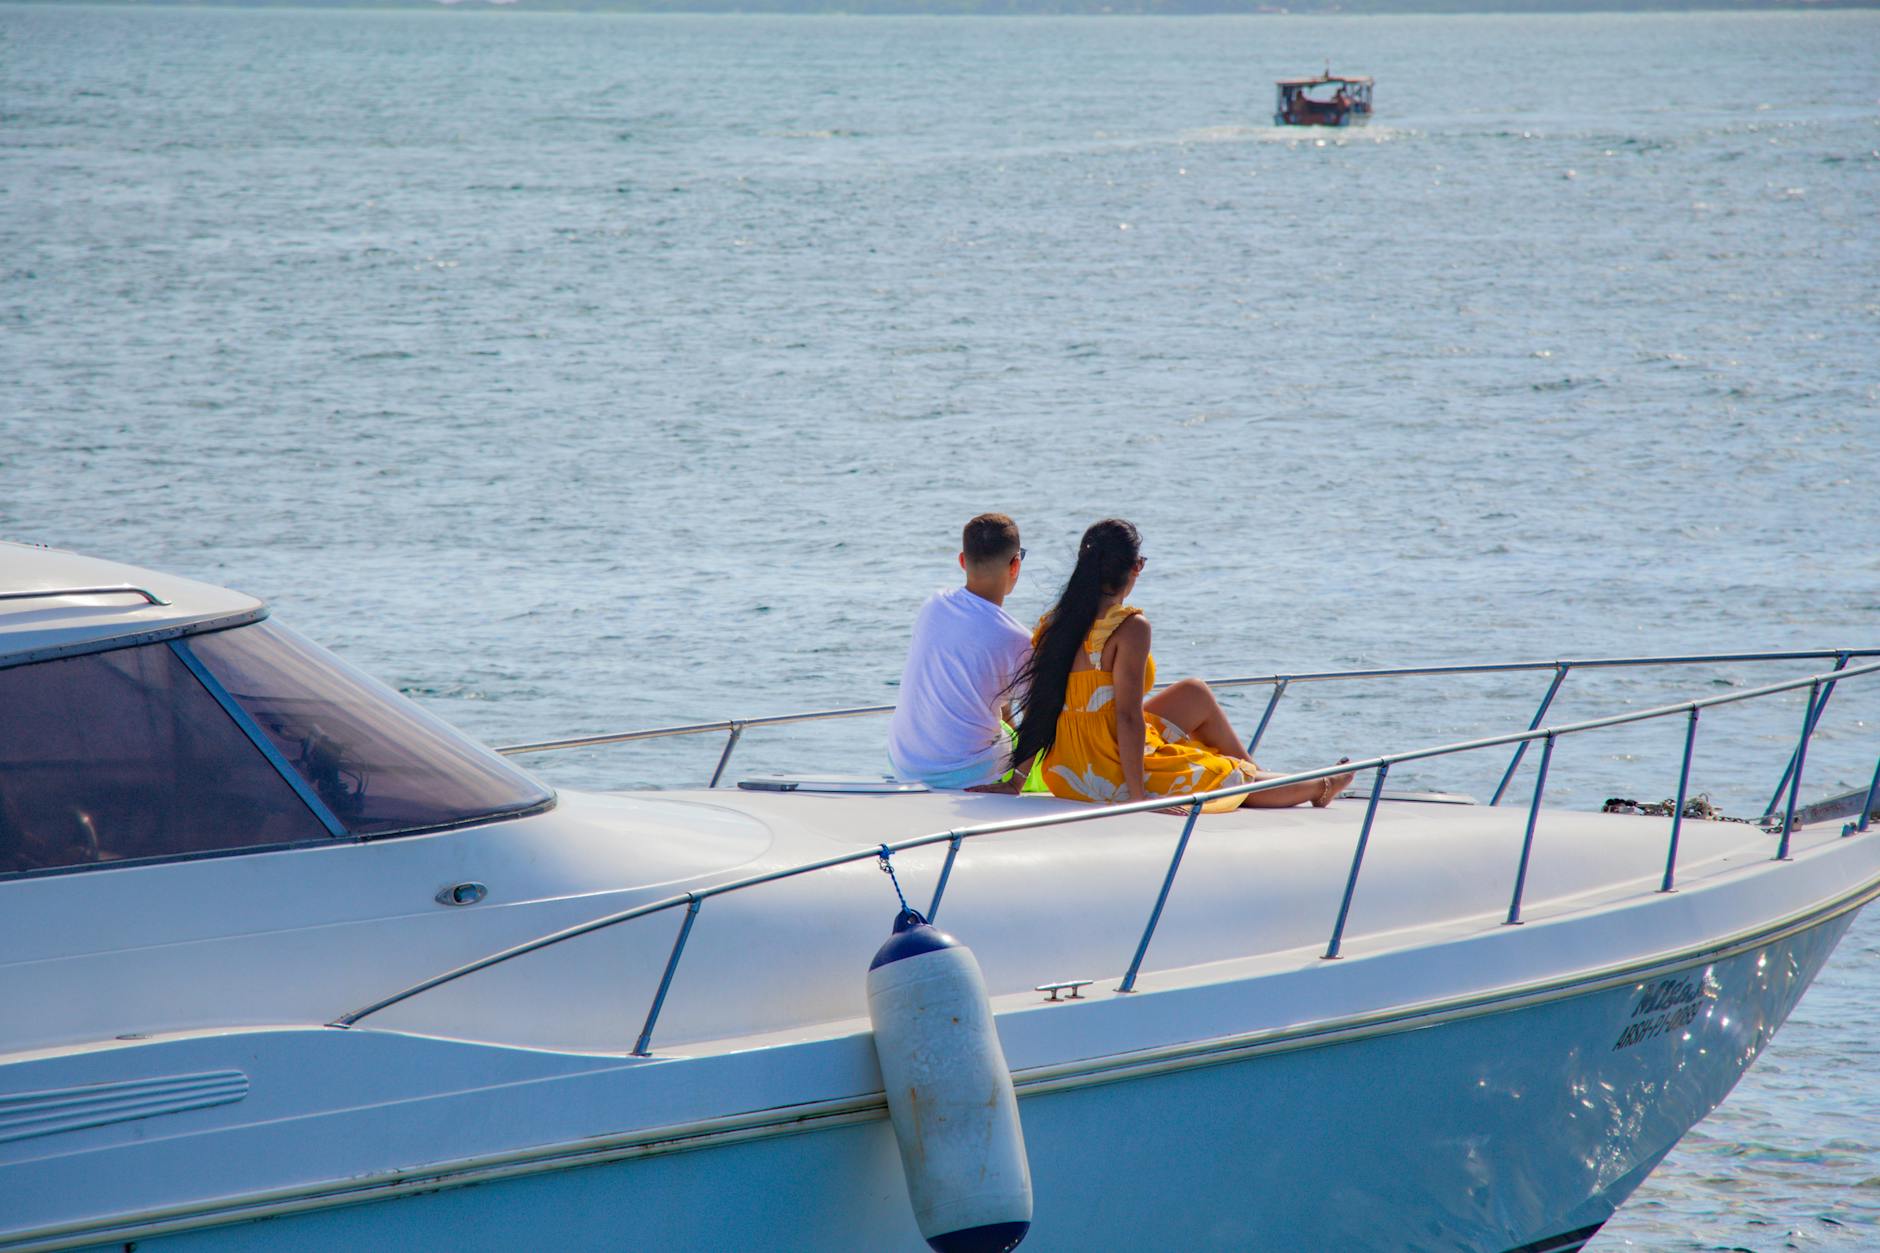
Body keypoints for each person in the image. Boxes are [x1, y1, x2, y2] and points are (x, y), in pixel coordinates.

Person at [1010, 518, 1353, 812]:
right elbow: (1127, 717)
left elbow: (1041, 704)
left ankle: (1255, 773)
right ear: (1135, 567)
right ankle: (1312, 785)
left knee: (1193, 693)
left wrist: (1017, 780)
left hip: (1069, 769)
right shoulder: (1128, 627)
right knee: (1227, 779)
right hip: (1108, 773)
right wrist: (1138, 798)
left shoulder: (1054, 624)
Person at [887, 514, 1036, 791]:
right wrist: (1017, 782)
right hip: (966, 774)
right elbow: (1039, 717)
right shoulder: (1019, 640)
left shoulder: (934, 605)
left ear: (962, 561)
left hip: (904, 763)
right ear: (1015, 565)